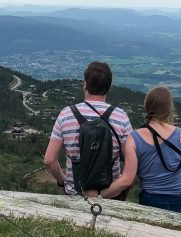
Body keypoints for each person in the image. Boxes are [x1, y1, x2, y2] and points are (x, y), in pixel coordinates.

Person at [43, 61, 136, 199]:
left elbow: (49, 161)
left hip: (75, 194)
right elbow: (129, 163)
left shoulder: (66, 114)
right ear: (108, 87)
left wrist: (64, 181)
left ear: (85, 84)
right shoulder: (121, 116)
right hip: (111, 195)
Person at [132, 86, 181, 216]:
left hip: (152, 199)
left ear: (147, 107)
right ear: (170, 108)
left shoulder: (135, 137)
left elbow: (129, 178)